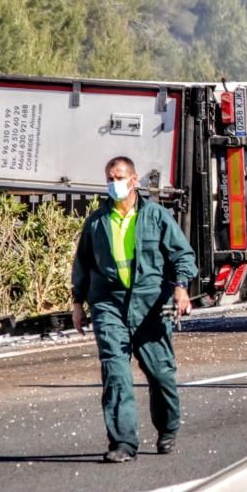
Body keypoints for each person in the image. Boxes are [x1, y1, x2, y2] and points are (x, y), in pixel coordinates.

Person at [71, 156, 198, 463]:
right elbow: (83, 264)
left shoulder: (155, 216)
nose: (114, 183)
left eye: (119, 177)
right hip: (108, 303)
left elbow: (183, 256)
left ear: (134, 179)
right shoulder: (97, 222)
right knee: (115, 372)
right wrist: (77, 302)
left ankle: (168, 428)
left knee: (160, 373)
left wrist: (181, 289)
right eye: (109, 178)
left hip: (150, 304)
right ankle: (123, 443)